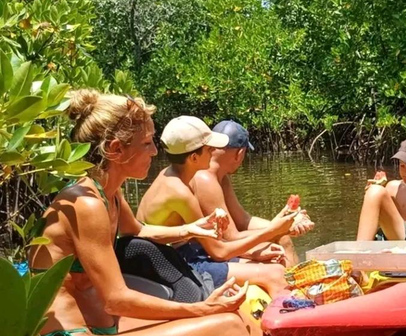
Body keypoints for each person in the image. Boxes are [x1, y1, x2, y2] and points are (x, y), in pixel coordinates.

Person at [28, 90, 251, 336]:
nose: (155, 152)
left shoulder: (108, 192)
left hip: (99, 323)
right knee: (228, 325)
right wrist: (202, 308)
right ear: (116, 150)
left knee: (225, 318)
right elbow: (117, 299)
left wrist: (189, 229)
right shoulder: (87, 204)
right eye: (147, 143)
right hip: (68, 331)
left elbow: (138, 230)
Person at [137, 116, 294, 297]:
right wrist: (271, 231)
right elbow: (219, 252)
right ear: (194, 157)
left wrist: (253, 252)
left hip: (184, 254)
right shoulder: (180, 192)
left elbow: (212, 240)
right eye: (210, 149)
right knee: (275, 273)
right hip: (176, 264)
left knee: (270, 260)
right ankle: (291, 320)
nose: (215, 153)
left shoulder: (174, 175)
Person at [190, 120, 315, 267]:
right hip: (199, 254)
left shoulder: (220, 177)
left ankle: (294, 281)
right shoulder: (205, 179)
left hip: (218, 246)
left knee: (283, 237)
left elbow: (243, 220)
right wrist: (281, 229)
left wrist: (290, 222)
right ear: (240, 153)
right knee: (282, 238)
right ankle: (291, 283)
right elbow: (231, 237)